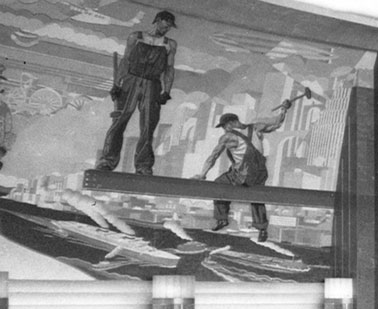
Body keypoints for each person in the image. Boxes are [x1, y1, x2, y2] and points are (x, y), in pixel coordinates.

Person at [196, 99, 301, 242]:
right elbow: (277, 122)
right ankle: (262, 229)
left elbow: (213, 156)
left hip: (243, 174)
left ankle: (222, 219)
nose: (224, 128)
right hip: (260, 172)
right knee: (256, 196)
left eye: (224, 125)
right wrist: (283, 109)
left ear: (231, 123)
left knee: (218, 184)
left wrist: (202, 174)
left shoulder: (228, 136)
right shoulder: (256, 127)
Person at [95, 11, 178, 175]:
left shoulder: (170, 44)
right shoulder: (136, 37)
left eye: (169, 26)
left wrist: (166, 91)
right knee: (119, 121)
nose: (167, 28)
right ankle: (107, 161)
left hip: (152, 84)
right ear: (157, 21)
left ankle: (143, 166)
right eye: (165, 24)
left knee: (148, 126)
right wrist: (116, 84)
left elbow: (169, 69)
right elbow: (125, 61)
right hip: (131, 82)